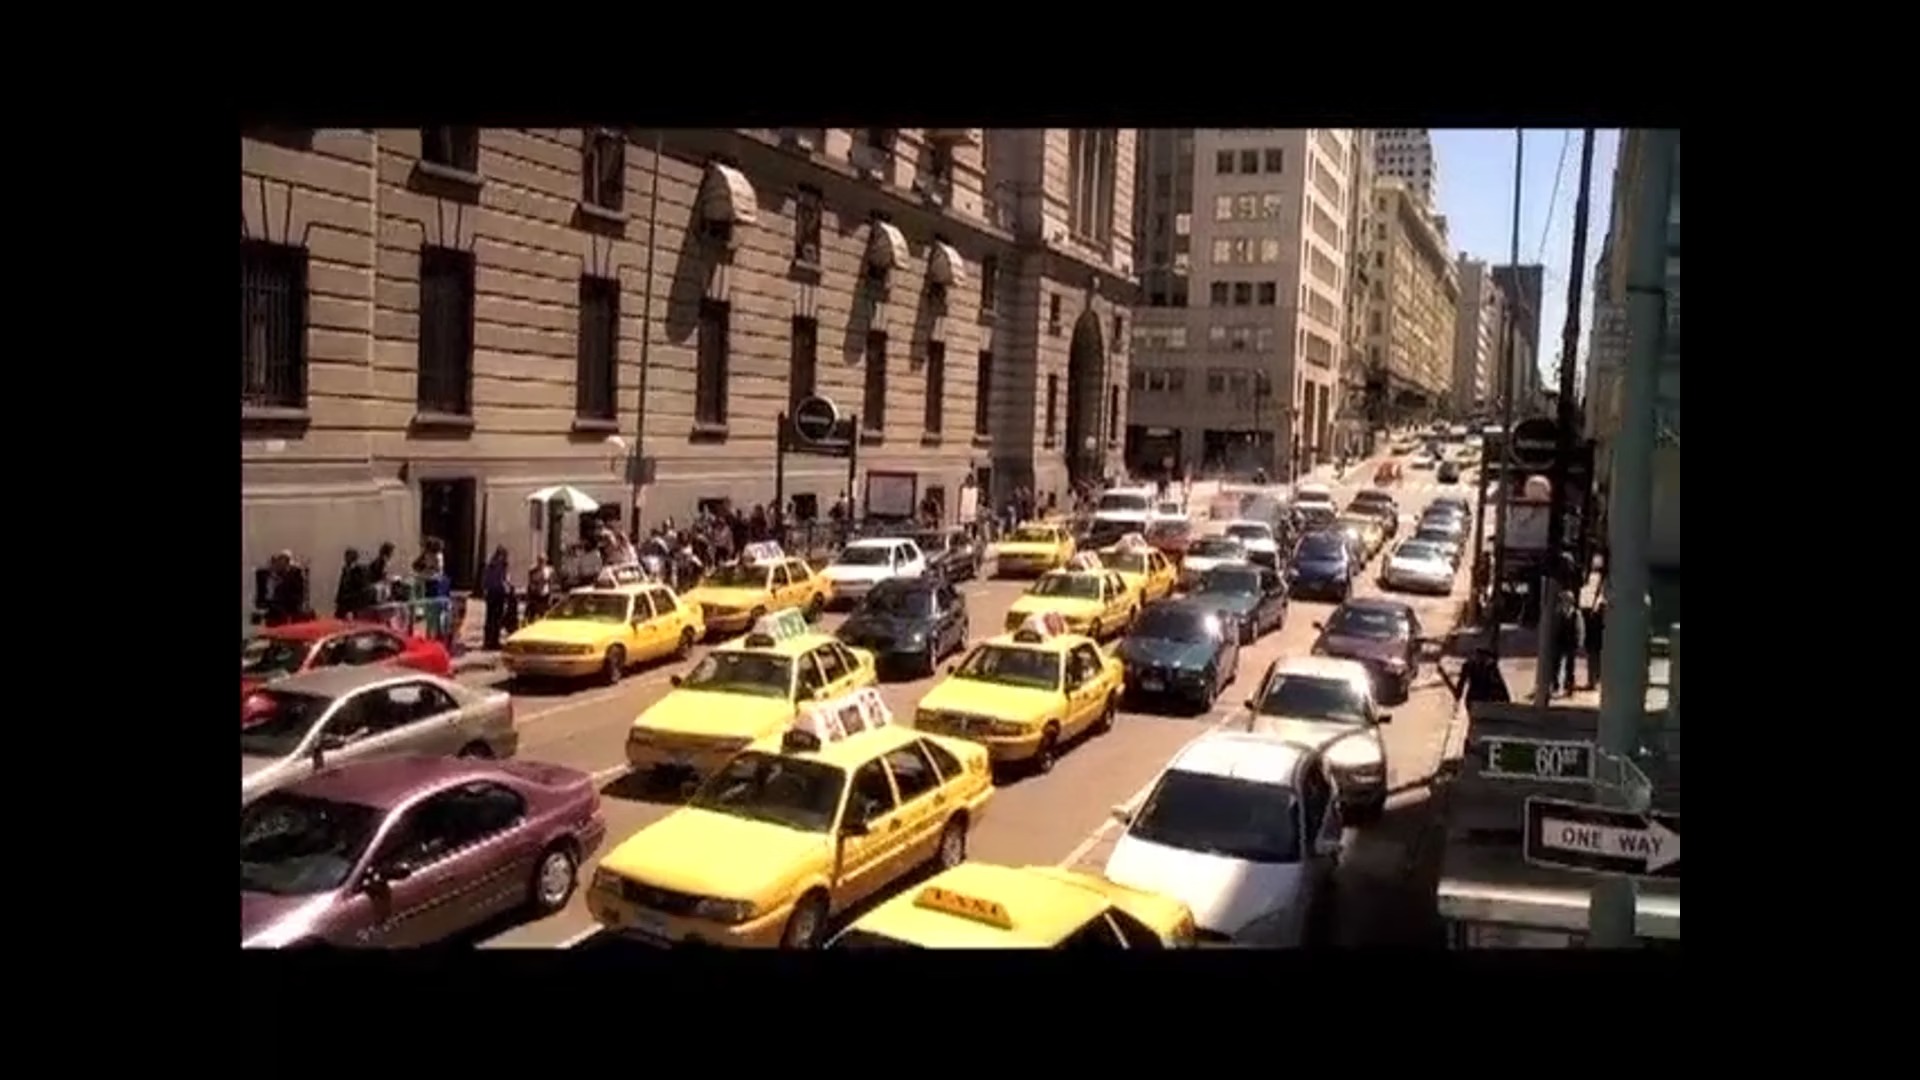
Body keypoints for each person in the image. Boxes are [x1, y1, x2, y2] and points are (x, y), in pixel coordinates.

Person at [1439, 646, 1511, 705]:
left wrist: (1444, 676)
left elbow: (1458, 693)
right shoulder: (1489, 665)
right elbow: (1503, 693)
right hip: (1484, 702)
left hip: (1474, 702)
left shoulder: (1470, 664)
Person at [481, 546, 512, 651]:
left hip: (499, 593)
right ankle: (489, 641)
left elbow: (506, 579)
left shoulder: (500, 565)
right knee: (491, 618)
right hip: (494, 593)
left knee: (496, 618)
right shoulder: (493, 566)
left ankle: (493, 640)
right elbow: (487, 579)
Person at [1583, 594, 1607, 691]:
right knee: (1594, 665)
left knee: (1596, 665)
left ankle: (1594, 682)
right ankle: (1593, 682)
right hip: (1596, 645)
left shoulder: (1598, 618)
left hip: (1597, 646)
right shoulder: (1598, 619)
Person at [524, 556, 556, 622]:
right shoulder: (533, 571)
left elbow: (551, 584)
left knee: (544, 613)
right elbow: (530, 583)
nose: (541, 563)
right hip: (535, 595)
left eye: (543, 561)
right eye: (540, 561)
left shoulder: (549, 571)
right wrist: (529, 595)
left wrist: (551, 595)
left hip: (545, 595)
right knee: (532, 613)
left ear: (545, 561)